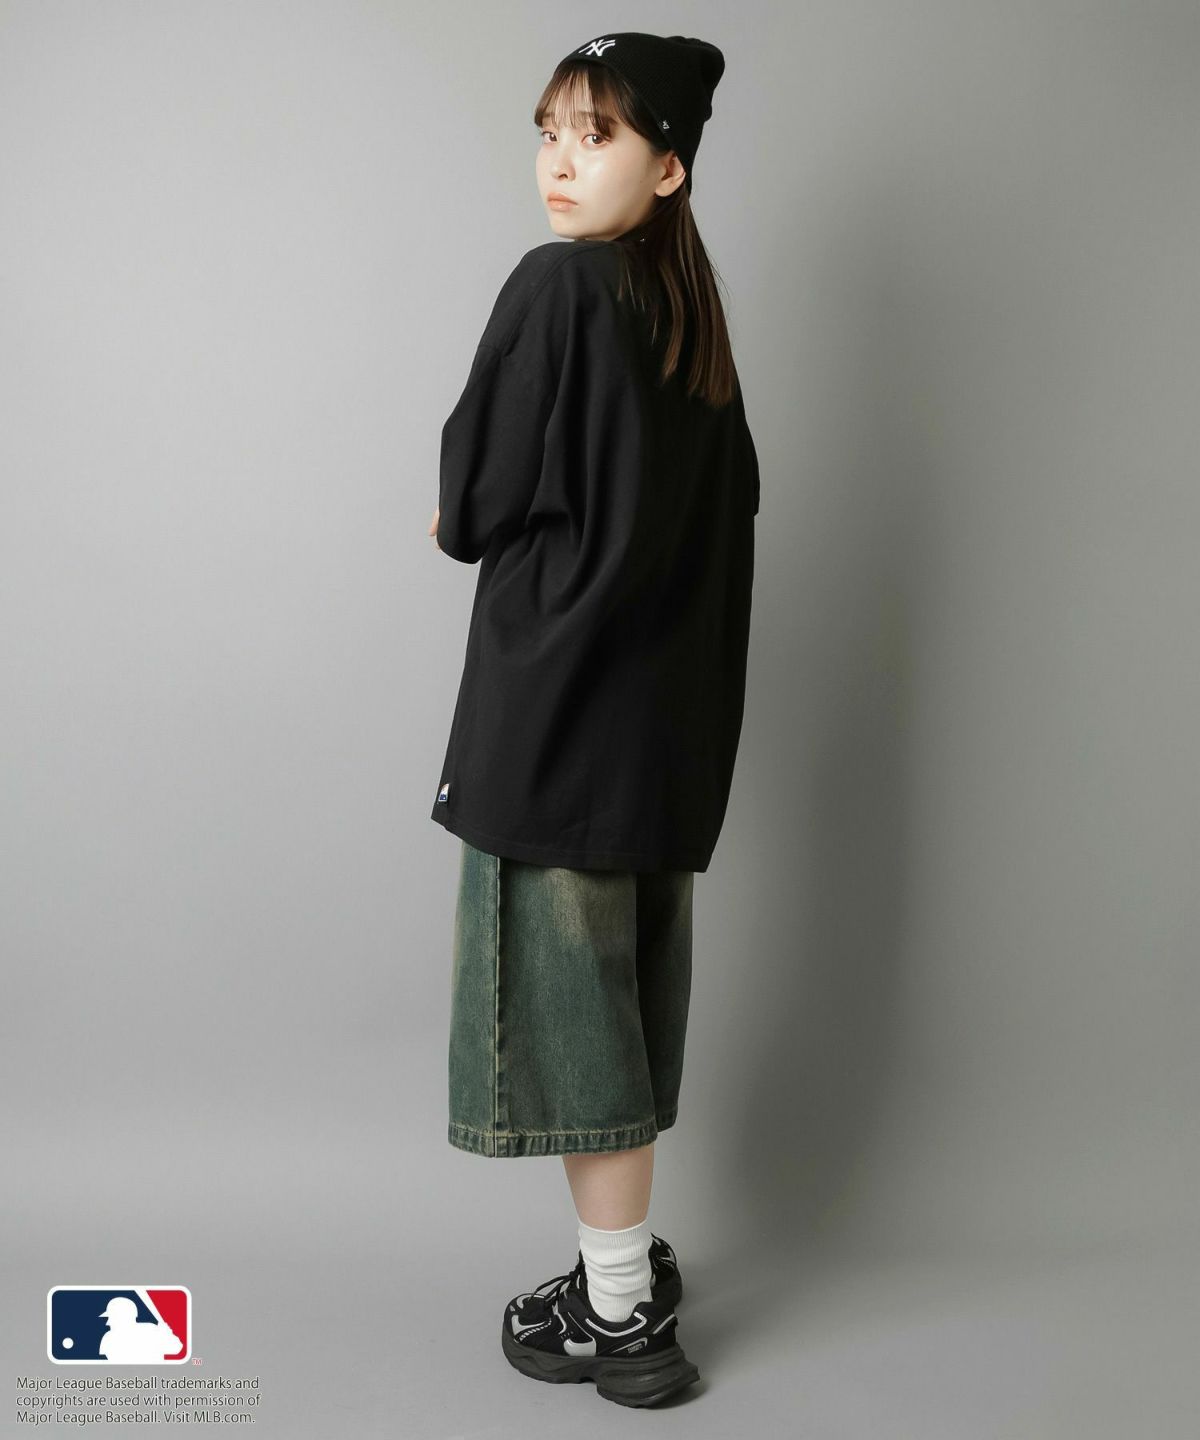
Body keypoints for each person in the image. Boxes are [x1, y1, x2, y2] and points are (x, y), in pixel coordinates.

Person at [427, 31, 757, 1408]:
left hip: (556, 735)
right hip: (662, 750)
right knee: (619, 1020)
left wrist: (459, 511)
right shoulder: (694, 326)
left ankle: (618, 1313)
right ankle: (621, 1280)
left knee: (576, 1040)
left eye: (600, 134)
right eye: (552, 131)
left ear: (667, 166)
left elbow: (472, 505)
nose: (562, 161)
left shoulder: (556, 288)